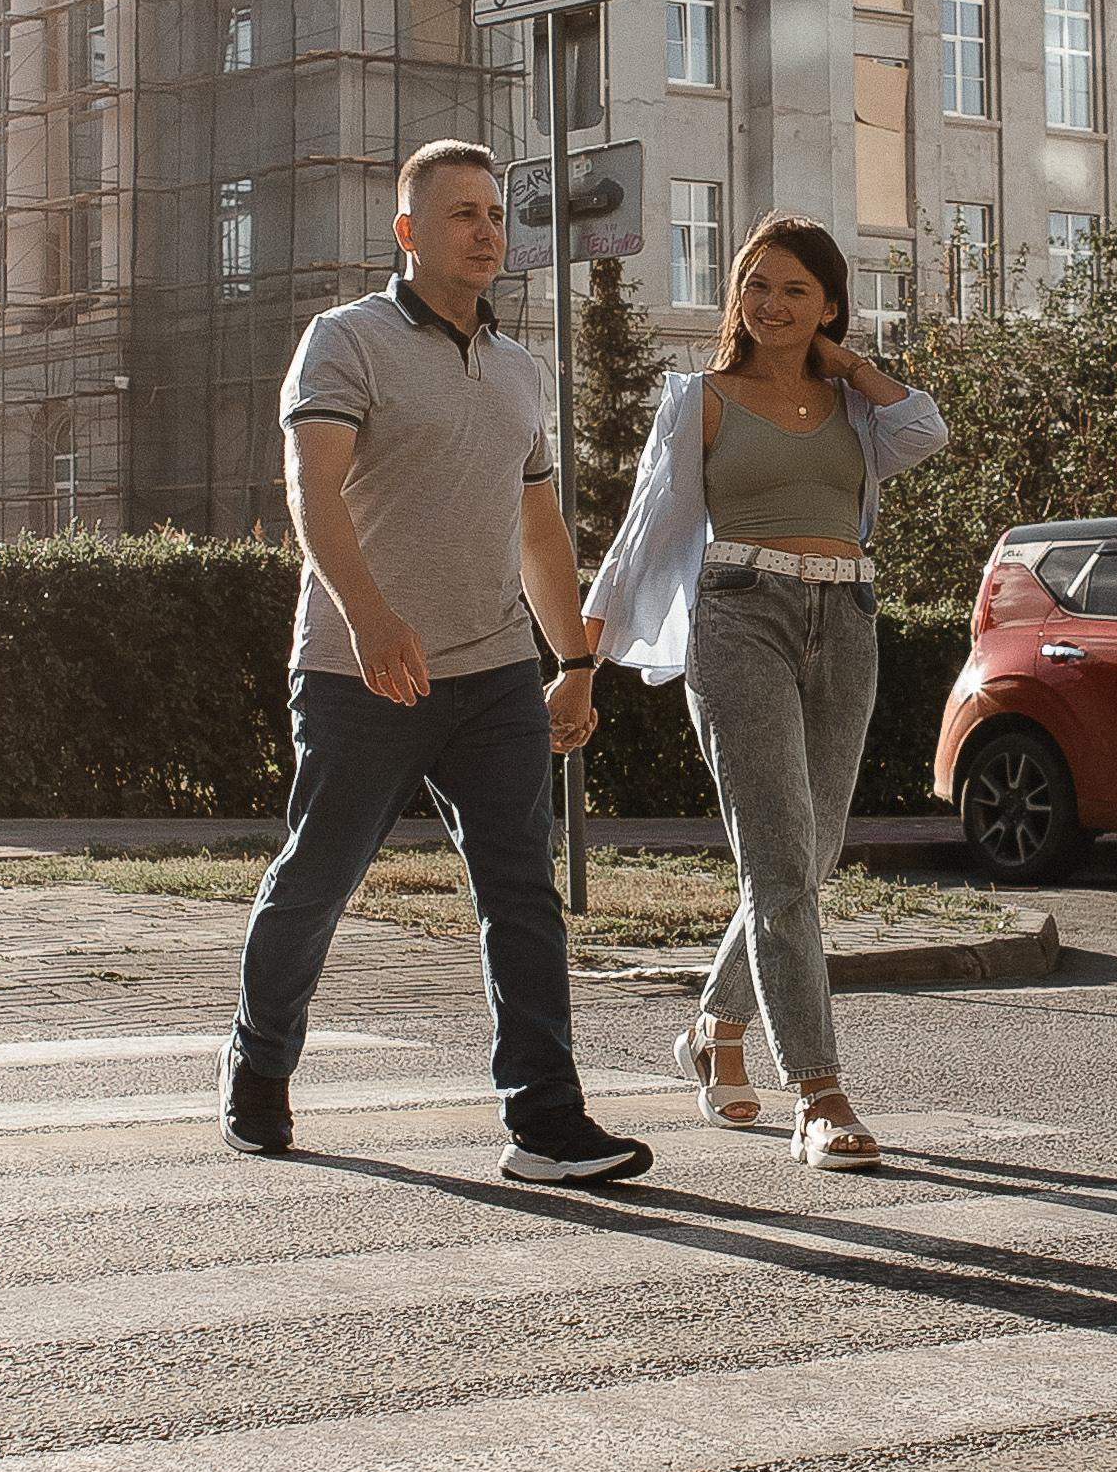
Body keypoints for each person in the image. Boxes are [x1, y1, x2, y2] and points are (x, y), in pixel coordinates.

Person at [219, 138, 651, 1188]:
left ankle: (544, 1119)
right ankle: (258, 1069)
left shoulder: (519, 368)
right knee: (317, 878)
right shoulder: (346, 341)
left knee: (520, 889)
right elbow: (311, 493)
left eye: (495, 214)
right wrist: (370, 620)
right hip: (358, 668)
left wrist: (576, 661)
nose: (486, 231)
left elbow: (540, 529)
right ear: (407, 233)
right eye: (460, 214)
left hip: (495, 670)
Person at [584, 214, 946, 1170]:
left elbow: (927, 430)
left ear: (827, 304)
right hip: (740, 615)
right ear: (734, 299)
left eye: (795, 290)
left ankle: (715, 1023)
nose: (771, 305)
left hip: (849, 620)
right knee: (782, 858)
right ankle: (819, 1093)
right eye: (755, 286)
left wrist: (848, 363)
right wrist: (579, 660)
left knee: (811, 854)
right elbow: (641, 534)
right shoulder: (699, 399)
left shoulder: (859, 410)